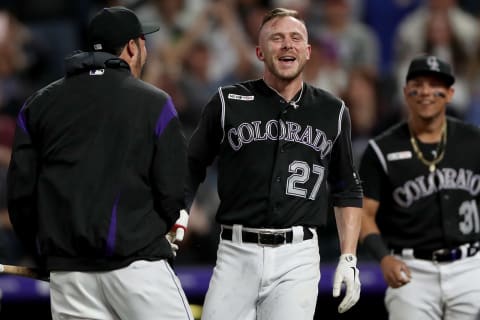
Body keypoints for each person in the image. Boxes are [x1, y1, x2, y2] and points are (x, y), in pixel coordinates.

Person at [7, 6, 193, 320]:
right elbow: (173, 192)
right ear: (133, 48)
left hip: (71, 276)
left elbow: (21, 198)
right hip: (138, 267)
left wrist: (50, 251)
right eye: (143, 42)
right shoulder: (154, 102)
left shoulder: (38, 105)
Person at [186, 7, 363, 319]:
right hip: (235, 251)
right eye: (276, 38)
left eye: (296, 38)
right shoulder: (228, 101)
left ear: (308, 52)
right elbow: (191, 166)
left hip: (298, 255)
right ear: (259, 51)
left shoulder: (332, 111)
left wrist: (349, 256)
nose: (287, 45)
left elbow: (346, 188)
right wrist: (179, 215)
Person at [359, 54, 480, 320]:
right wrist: (383, 257)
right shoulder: (382, 149)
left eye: (435, 85)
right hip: (411, 269)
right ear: (406, 92)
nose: (426, 91)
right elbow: (363, 214)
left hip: (470, 266)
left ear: (449, 94)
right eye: (418, 83)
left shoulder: (473, 141)